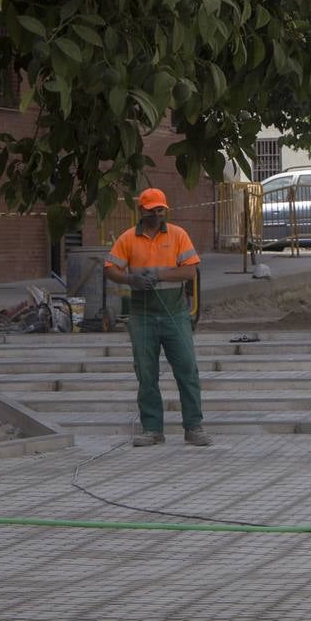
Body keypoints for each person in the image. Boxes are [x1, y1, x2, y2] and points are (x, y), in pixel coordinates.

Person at [103, 188, 211, 448]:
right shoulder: (128, 238)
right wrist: (130, 278)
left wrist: (159, 277)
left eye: (161, 210)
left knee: (187, 370)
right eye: (152, 210)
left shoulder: (178, 235)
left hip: (174, 315)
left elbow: (190, 271)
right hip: (142, 317)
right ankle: (152, 429)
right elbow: (110, 269)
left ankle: (193, 427)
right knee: (146, 373)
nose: (157, 214)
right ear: (142, 210)